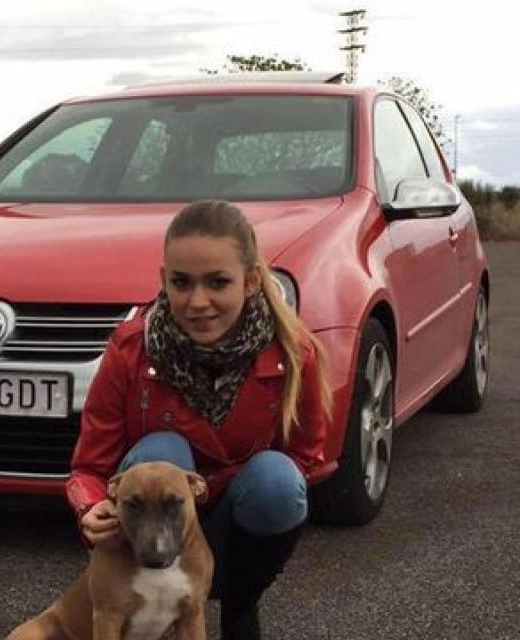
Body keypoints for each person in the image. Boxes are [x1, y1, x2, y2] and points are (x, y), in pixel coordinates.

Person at [66, 200, 332, 640]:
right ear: (162, 280)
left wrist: (218, 518)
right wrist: (90, 506)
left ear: (250, 282)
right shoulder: (131, 348)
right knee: (162, 451)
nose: (197, 302)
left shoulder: (294, 353)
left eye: (217, 282)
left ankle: (240, 604)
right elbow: (89, 468)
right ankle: (150, 603)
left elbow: (308, 457)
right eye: (181, 283)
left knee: (279, 482)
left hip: (233, 516)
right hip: (150, 519)